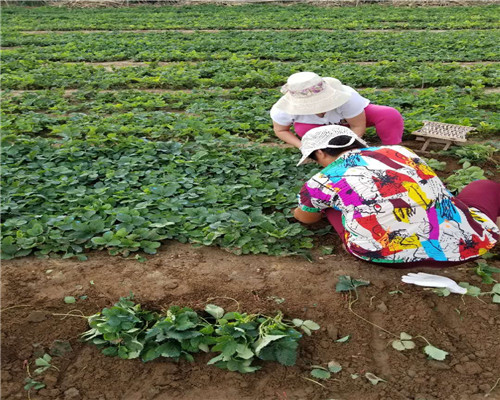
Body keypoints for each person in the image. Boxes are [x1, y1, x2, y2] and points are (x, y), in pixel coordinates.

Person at [293, 125, 499, 267]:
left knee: (328, 204)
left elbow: (307, 219)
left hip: (382, 257)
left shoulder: (319, 182)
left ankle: (359, 238)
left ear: (319, 153)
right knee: (484, 186)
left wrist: (305, 206)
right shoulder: (401, 151)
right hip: (466, 247)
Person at [270, 71, 404, 148]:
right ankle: (323, 149)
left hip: (349, 120)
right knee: (304, 130)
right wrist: (302, 147)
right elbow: (281, 130)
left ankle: (393, 148)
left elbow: (357, 125)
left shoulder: (347, 97)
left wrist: (349, 145)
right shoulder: (282, 109)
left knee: (388, 114)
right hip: (315, 128)